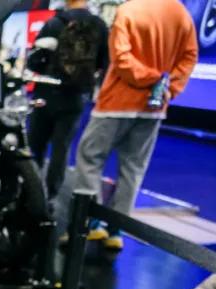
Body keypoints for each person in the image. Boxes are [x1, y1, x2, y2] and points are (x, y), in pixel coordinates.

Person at [71, 0, 197, 251]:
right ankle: (115, 231)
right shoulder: (181, 14)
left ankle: (88, 223)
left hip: (116, 102)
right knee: (133, 169)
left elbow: (121, 58)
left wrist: (150, 78)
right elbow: (189, 56)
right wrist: (168, 87)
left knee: (90, 157)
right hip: (153, 108)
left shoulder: (129, 11)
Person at [27, 0, 108, 199]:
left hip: (47, 92)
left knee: (36, 145)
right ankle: (52, 195)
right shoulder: (99, 25)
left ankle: (32, 192)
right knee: (61, 148)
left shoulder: (54, 23)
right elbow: (104, 61)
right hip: (76, 95)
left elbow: (34, 61)